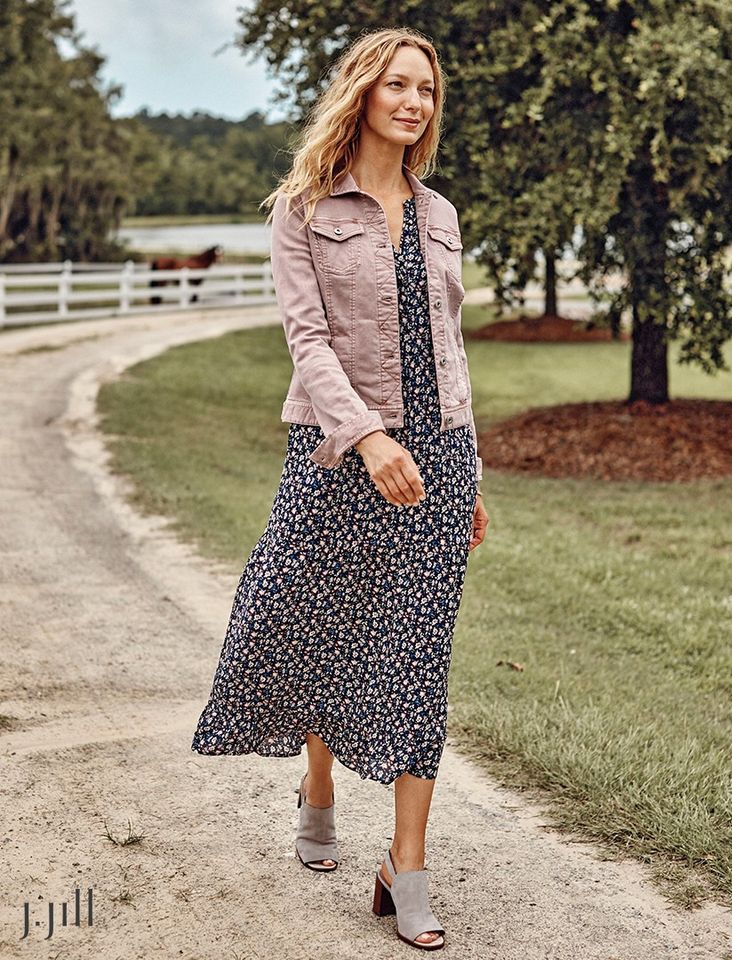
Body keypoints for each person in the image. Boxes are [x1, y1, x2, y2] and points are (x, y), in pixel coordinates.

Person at [191, 25, 489, 951]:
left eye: (426, 90)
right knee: (322, 622)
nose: (414, 103)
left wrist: (470, 470)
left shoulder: (440, 213)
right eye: (397, 85)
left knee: (417, 656)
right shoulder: (303, 208)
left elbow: (451, 349)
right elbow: (308, 341)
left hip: (438, 462)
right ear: (362, 92)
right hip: (333, 457)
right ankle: (317, 786)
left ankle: (407, 868)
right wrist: (367, 436)